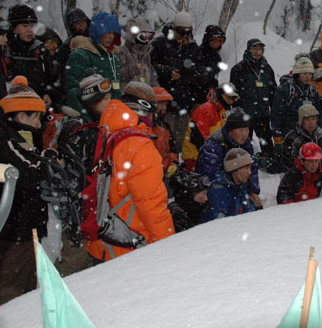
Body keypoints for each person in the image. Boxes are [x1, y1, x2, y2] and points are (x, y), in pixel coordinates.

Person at [85, 96, 174, 262]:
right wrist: (167, 246)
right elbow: (152, 205)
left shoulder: (105, 135)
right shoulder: (139, 146)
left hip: (101, 239)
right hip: (127, 247)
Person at [0, 76, 48, 303]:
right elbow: (29, 175)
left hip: (17, 227)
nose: (39, 124)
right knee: (13, 292)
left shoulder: (11, 137)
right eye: (37, 118)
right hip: (16, 230)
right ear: (21, 116)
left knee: (21, 288)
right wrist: (46, 160)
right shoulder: (5, 140)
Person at [150, 11, 200, 149]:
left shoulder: (192, 47)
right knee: (164, 137)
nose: (183, 36)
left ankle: (175, 163)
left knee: (180, 140)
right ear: (173, 27)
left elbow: (198, 71)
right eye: (180, 31)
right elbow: (150, 66)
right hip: (166, 102)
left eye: (187, 32)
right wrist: (168, 72)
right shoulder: (159, 44)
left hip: (185, 101)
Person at [195, 109, 261, 207]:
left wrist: (253, 190)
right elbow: (210, 175)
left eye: (247, 129)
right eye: (241, 130)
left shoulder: (245, 143)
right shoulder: (213, 146)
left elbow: (252, 168)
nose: (245, 134)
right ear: (230, 130)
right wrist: (236, 187)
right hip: (217, 191)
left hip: (238, 187)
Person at [65, 12, 122, 119]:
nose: (111, 36)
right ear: (97, 32)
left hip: (110, 117)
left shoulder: (114, 59)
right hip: (89, 118)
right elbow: (73, 92)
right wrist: (87, 120)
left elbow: (116, 91)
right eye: (107, 32)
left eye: (113, 32)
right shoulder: (81, 55)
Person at [229, 38, 277, 158]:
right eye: (254, 49)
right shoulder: (239, 68)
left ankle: (267, 159)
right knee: (243, 142)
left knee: (266, 141)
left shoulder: (267, 68)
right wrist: (238, 112)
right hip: (246, 113)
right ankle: (243, 161)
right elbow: (233, 93)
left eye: (260, 49)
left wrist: (274, 108)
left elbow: (273, 91)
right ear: (249, 50)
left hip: (263, 113)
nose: (257, 52)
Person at [4, 4, 54, 108]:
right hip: (13, 105)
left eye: (32, 26)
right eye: (25, 26)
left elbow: (48, 77)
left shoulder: (40, 50)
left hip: (37, 104)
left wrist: (46, 93)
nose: (30, 30)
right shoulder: (5, 49)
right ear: (14, 28)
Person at [271, 56, 320, 154]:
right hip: (288, 133)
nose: (308, 76)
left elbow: (318, 113)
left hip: (308, 133)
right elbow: (276, 114)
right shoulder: (285, 89)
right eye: (305, 73)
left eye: (310, 74)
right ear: (298, 74)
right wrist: (278, 138)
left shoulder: (313, 91)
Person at [199, 148, 258, 223]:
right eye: (246, 168)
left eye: (250, 168)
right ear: (234, 170)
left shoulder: (241, 187)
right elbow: (219, 225)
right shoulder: (219, 192)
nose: (249, 172)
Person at [281, 104, 322, 171]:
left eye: (313, 119)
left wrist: (320, 168)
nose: (311, 123)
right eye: (307, 120)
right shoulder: (292, 137)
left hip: (320, 172)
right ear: (301, 121)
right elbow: (287, 160)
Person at [118, 18, 159, 89]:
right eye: (143, 37)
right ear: (134, 36)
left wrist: (155, 86)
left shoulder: (146, 55)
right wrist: (132, 69)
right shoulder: (122, 52)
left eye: (148, 37)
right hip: (127, 96)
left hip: (145, 96)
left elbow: (153, 75)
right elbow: (115, 75)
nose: (146, 40)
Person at [195, 24, 226, 104]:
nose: (217, 44)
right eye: (215, 41)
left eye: (221, 41)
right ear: (208, 39)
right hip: (195, 98)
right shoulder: (197, 53)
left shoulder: (217, 58)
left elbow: (214, 80)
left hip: (211, 98)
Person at [152, 86, 179, 174]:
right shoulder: (145, 126)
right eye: (161, 104)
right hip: (151, 172)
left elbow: (172, 149)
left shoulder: (165, 126)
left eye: (165, 104)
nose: (164, 107)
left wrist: (173, 163)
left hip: (164, 172)